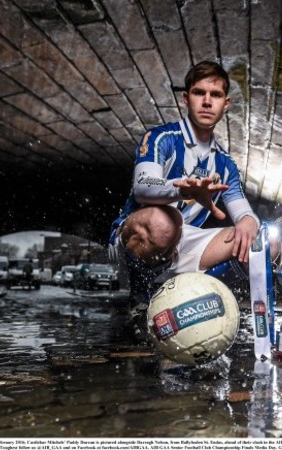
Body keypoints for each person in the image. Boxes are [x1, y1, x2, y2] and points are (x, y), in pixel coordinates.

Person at [109, 61, 260, 318]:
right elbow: (142, 187)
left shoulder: (225, 164)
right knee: (165, 221)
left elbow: (243, 211)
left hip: (182, 244)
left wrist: (249, 222)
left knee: (265, 239)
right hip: (137, 238)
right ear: (186, 98)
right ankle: (141, 297)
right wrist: (183, 191)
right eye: (199, 93)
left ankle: (205, 295)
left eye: (216, 95)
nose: (207, 101)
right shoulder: (161, 137)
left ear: (226, 104)